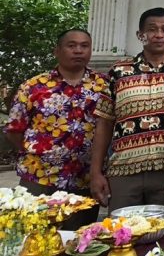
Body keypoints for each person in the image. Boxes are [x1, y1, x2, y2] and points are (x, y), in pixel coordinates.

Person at [90, 8, 164, 232]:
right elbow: (105, 122)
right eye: (152, 29)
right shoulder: (119, 71)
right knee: (121, 236)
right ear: (140, 35)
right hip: (123, 172)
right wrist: (96, 172)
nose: (159, 35)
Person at [6, 28, 107, 229]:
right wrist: (39, 153)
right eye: (71, 45)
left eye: (84, 46)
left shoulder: (104, 86)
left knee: (79, 238)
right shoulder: (34, 86)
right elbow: (14, 129)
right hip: (40, 177)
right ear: (57, 51)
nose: (78, 50)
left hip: (85, 179)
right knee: (35, 236)